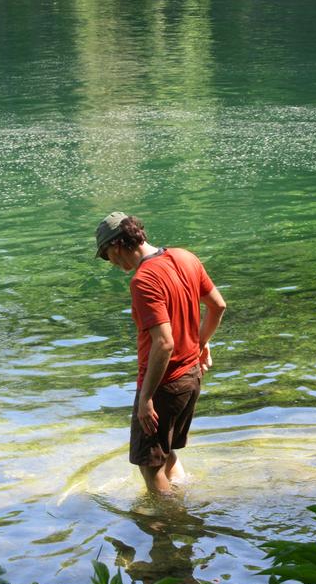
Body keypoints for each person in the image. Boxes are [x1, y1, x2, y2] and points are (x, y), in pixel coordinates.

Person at [95, 211, 226, 495]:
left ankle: (169, 525)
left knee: (149, 466)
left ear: (117, 245)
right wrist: (200, 343)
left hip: (164, 384)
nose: (111, 263)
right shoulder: (185, 257)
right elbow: (218, 306)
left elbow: (164, 343)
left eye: (107, 256)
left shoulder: (143, 281)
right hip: (190, 378)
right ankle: (184, 498)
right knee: (165, 455)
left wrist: (146, 397)